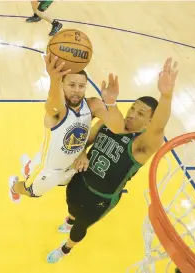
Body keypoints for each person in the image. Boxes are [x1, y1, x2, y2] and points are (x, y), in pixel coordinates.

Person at [46, 57, 179, 263]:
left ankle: (65, 249)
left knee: (81, 227)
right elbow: (84, 140)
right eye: (133, 108)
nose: (132, 114)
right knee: (71, 208)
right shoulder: (109, 123)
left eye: (140, 113)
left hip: (101, 197)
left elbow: (160, 127)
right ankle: (69, 220)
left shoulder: (141, 146)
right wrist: (81, 153)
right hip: (80, 179)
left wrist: (166, 95)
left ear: (149, 121)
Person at [9, 53, 125, 202]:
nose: (77, 90)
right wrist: (54, 79)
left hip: (71, 164)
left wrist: (111, 103)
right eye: (71, 85)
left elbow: (117, 128)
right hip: (48, 169)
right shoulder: (58, 110)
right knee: (30, 191)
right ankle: (14, 186)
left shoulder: (93, 105)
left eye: (81, 86)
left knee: (65, 183)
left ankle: (29, 166)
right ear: (62, 85)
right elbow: (53, 103)